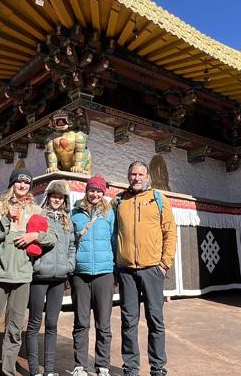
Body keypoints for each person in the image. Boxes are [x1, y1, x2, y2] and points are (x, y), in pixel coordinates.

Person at [0, 169, 55, 376]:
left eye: (27, 183)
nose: (22, 186)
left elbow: (52, 237)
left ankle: (8, 371)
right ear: (12, 184)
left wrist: (34, 236)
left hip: (22, 276)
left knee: (14, 330)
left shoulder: (36, 210)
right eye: (19, 182)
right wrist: (6, 219)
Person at [114, 161, 176, 376]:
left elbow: (170, 232)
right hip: (126, 270)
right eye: (133, 174)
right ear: (128, 176)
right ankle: (131, 367)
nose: (137, 178)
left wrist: (164, 264)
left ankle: (157, 368)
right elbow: (112, 231)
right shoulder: (119, 201)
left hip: (153, 270)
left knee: (155, 320)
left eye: (141, 174)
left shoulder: (159, 199)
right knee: (128, 321)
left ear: (147, 177)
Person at [26, 180, 76, 376]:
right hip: (39, 276)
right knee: (34, 323)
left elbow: (72, 245)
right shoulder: (39, 216)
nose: (56, 200)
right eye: (54, 196)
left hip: (59, 278)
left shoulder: (67, 221)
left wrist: (69, 266)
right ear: (48, 197)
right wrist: (35, 265)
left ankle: (49, 370)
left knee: (52, 324)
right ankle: (34, 370)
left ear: (64, 200)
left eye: (60, 197)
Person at [70, 175, 116, 376]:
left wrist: (114, 268)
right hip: (80, 274)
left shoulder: (109, 214)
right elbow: (70, 241)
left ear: (103, 193)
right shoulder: (74, 213)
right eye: (92, 190)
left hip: (104, 273)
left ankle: (102, 365)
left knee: (103, 323)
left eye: (99, 191)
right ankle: (80, 365)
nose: (95, 194)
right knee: (81, 322)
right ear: (86, 191)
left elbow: (114, 240)